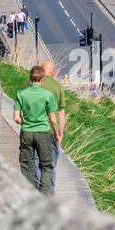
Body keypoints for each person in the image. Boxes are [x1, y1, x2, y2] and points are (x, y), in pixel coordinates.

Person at [14, 65, 60, 195]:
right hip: (43, 133)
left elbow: (16, 118)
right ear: (42, 80)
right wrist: (56, 133)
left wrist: (27, 122)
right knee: (46, 165)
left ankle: (31, 193)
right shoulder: (48, 95)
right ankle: (45, 194)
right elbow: (52, 119)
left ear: (30, 78)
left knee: (27, 164)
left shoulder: (21, 93)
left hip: (26, 132)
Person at [40, 59, 66, 189]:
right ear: (53, 72)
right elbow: (61, 114)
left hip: (32, 130)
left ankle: (38, 192)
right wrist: (60, 134)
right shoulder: (58, 87)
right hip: (50, 131)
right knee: (50, 165)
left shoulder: (33, 85)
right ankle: (49, 193)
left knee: (35, 163)